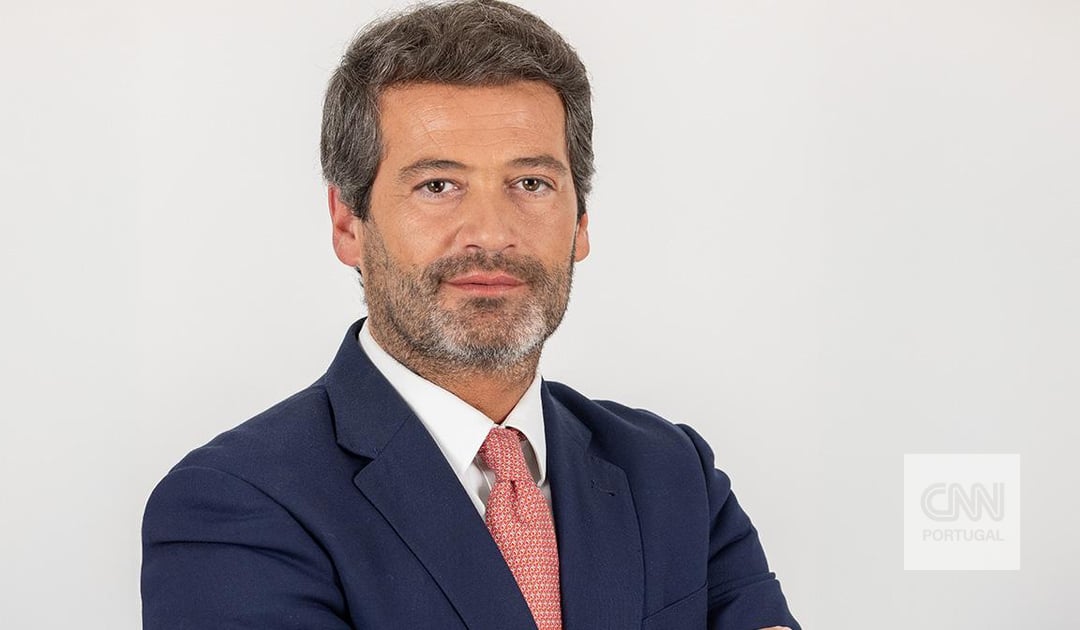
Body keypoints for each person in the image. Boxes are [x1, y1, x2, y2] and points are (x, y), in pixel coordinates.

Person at [140, 1, 801, 628]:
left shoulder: (672, 474)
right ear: (348, 224)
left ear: (581, 221)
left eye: (531, 183)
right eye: (438, 185)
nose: (491, 233)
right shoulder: (235, 504)